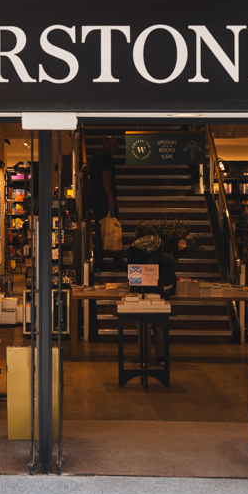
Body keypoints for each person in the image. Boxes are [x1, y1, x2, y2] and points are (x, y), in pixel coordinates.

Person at [127, 222, 176, 362]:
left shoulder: (135, 247)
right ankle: (161, 356)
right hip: (160, 287)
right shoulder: (160, 243)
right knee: (160, 323)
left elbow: (133, 271)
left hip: (143, 288)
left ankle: (144, 356)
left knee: (144, 325)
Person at [88, 136, 123, 271]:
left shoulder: (95, 157)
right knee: (113, 228)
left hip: (94, 198)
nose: (117, 147)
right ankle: (118, 261)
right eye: (114, 144)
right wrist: (111, 197)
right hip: (104, 199)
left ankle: (99, 261)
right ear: (106, 144)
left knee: (100, 230)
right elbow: (106, 177)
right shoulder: (107, 158)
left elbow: (87, 169)